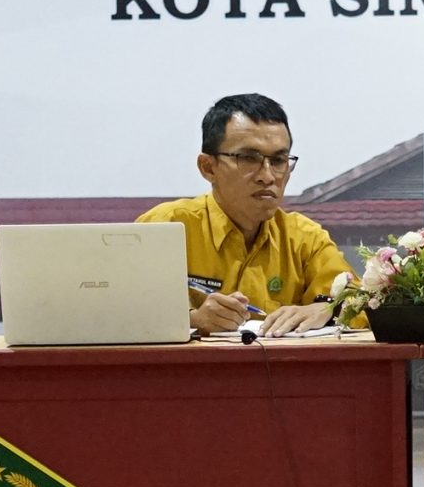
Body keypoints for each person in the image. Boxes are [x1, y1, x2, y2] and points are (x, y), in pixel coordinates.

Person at [139, 93, 351, 337]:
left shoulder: (304, 238)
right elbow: (121, 312)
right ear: (208, 167)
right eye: (249, 158)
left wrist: (327, 309)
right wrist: (192, 321)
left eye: (278, 160)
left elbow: (363, 300)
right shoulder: (165, 227)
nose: (268, 176)